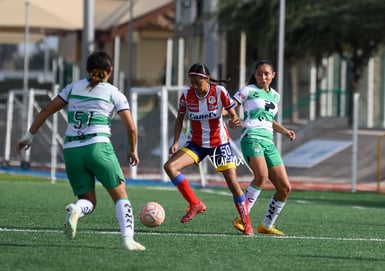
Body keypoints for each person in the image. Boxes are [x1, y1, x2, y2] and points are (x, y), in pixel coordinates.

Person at [16, 51, 145, 251]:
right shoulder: (114, 93)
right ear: (110, 71)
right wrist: (132, 150)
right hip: (98, 148)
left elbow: (46, 110)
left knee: (87, 201)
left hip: (72, 151)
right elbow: (131, 128)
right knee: (120, 195)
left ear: (87, 69)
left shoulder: (72, 88)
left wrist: (28, 136)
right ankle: (128, 239)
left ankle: (76, 209)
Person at [163, 63, 253, 236]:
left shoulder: (219, 92)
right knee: (170, 167)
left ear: (206, 79)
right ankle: (195, 204)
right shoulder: (186, 95)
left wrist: (234, 121)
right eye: (192, 82)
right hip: (196, 143)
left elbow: (233, 115)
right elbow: (180, 119)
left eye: (198, 82)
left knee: (233, 184)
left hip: (219, 143)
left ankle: (247, 224)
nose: (194, 86)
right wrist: (175, 142)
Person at [230, 60, 296, 235]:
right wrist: (233, 117)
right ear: (255, 75)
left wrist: (285, 131)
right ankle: (242, 218)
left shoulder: (275, 95)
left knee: (284, 188)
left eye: (267, 74)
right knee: (262, 176)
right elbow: (229, 106)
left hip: (268, 142)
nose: (263, 77)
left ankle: (266, 225)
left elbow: (269, 120)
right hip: (251, 138)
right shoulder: (248, 90)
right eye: (259, 74)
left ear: (273, 75)